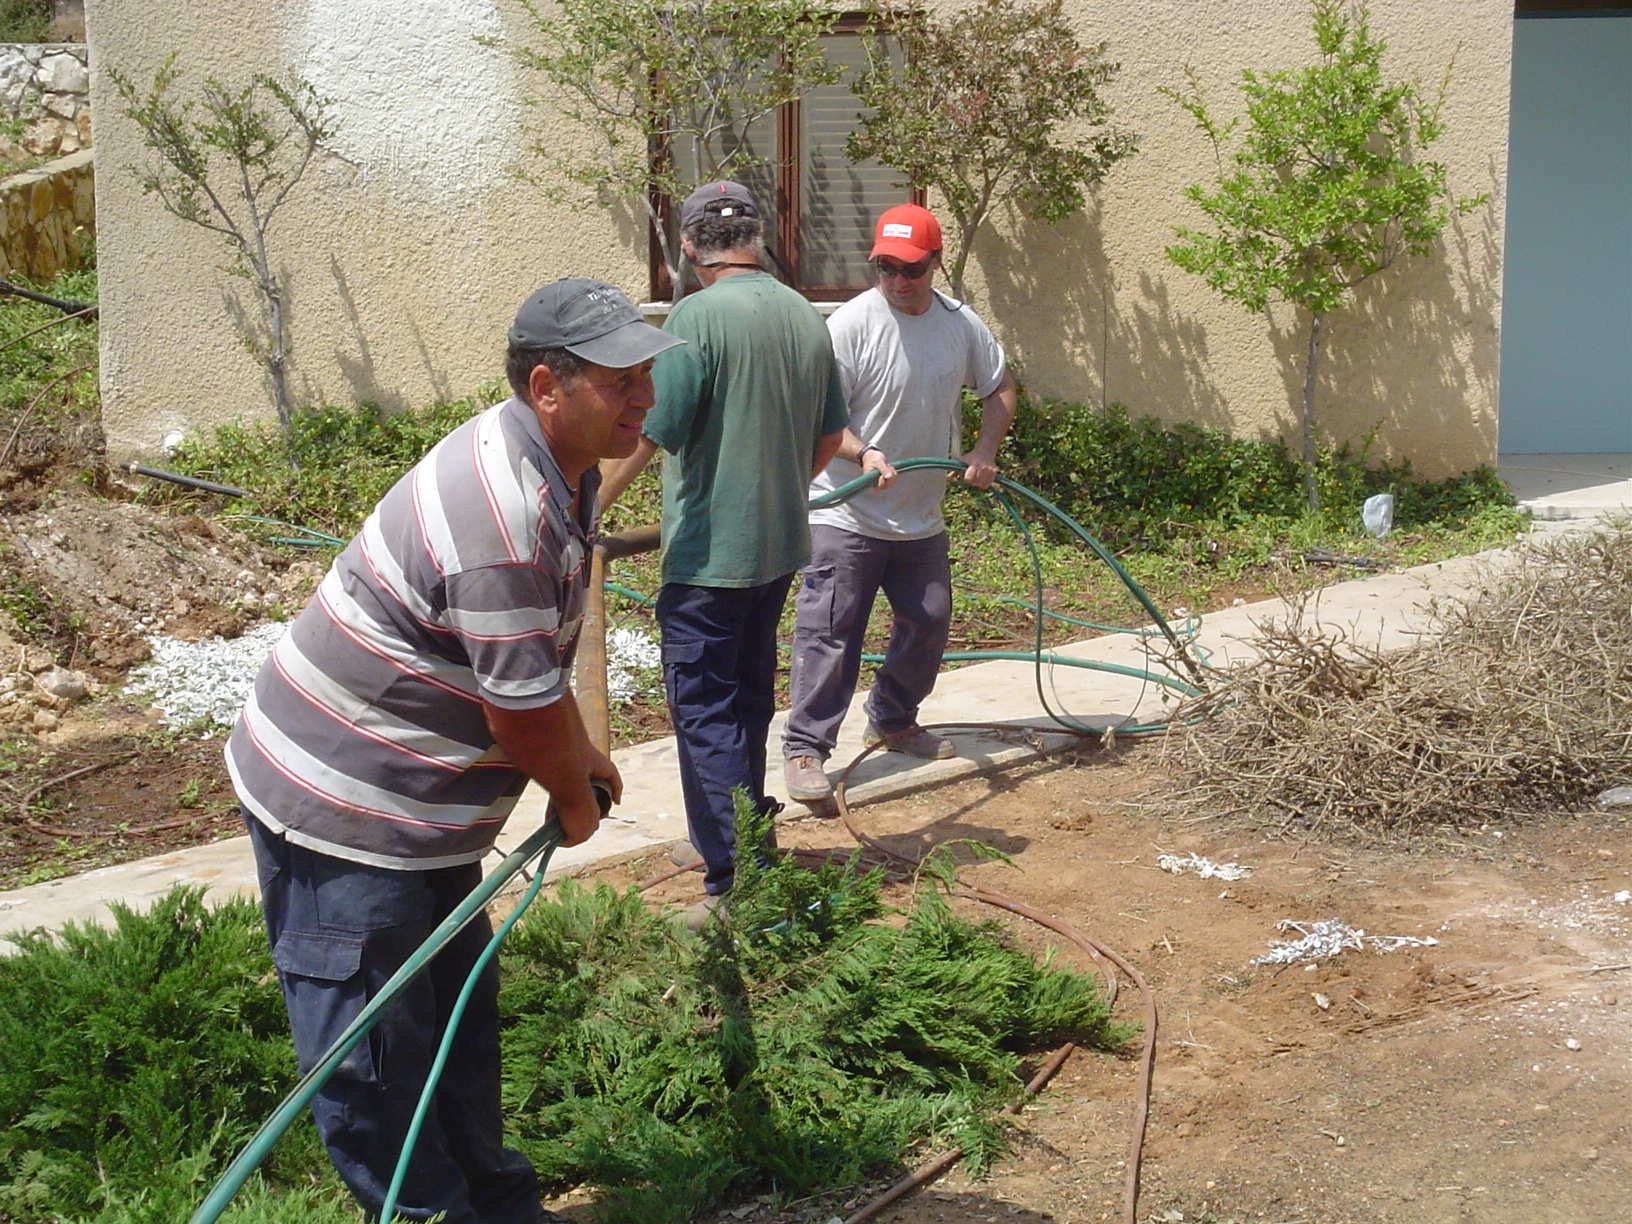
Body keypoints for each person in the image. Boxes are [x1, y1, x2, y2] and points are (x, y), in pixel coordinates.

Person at [226, 278, 683, 1224]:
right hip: (347, 812)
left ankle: (497, 1204)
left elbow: (523, 672)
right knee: (379, 1065)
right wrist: (569, 790)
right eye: (621, 380)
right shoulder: (501, 514)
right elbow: (516, 716)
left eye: (646, 375)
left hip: (418, 809)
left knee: (452, 1037)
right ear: (547, 385)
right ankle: (430, 1213)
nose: (644, 398)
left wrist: (578, 753)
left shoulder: (565, 460)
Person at [599, 180, 847, 905]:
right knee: (744, 705)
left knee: (705, 713)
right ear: (756, 238)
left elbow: (651, 427)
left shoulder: (696, 316)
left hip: (709, 558)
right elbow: (830, 434)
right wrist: (773, 487)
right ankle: (738, 839)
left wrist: (585, 510)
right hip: (775, 549)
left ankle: (734, 881)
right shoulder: (803, 314)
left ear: (688, 246)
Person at [782, 203, 1018, 803]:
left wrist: (984, 452)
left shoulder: (960, 325)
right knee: (831, 631)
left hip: (918, 516)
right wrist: (863, 454)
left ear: (935, 264)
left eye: (910, 268)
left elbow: (1000, 388)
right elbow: (818, 418)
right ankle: (806, 748)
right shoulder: (849, 326)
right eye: (886, 266)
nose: (897, 280)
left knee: (931, 618)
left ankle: (891, 716)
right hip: (847, 512)